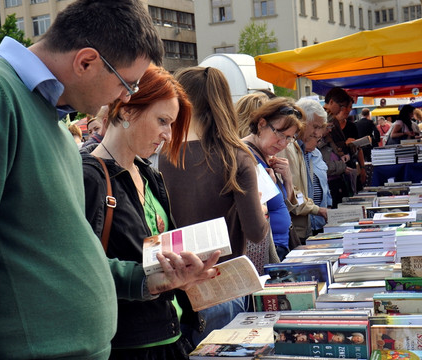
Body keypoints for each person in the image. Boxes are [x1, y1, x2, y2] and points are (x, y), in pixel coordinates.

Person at [0, 1, 218, 358]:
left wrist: (149, 280)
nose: (125, 97)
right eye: (127, 84)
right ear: (85, 61)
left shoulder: (51, 121)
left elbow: (62, 252)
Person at [83, 65, 206, 359]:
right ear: (126, 110)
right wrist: (149, 280)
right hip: (128, 345)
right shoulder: (89, 178)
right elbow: (80, 269)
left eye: (172, 124)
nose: (167, 134)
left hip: (170, 333)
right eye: (162, 120)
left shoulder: (148, 173)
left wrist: (186, 272)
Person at [159, 66, 270, 347]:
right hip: (222, 283)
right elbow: (256, 233)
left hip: (173, 287)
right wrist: (260, 206)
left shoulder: (163, 155)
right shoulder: (236, 157)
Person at [242, 97, 304, 260]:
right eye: (280, 134)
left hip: (280, 247)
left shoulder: (264, 156)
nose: (283, 143)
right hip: (267, 252)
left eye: (290, 138)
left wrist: (287, 181)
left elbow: (284, 208)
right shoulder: (244, 156)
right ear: (262, 124)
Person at [278, 98, 330, 241]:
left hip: (308, 227)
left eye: (321, 128)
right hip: (293, 231)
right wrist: (316, 209)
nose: (318, 133)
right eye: (315, 127)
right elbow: (290, 191)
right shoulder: (286, 148)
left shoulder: (303, 149)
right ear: (302, 121)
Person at [323, 87, 363, 199]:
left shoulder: (331, 118)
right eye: (341, 106)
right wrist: (344, 145)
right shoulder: (323, 118)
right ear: (331, 102)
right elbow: (326, 145)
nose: (342, 109)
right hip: (331, 172)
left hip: (338, 169)